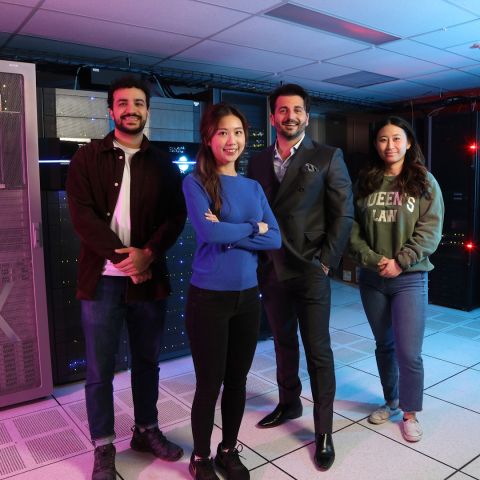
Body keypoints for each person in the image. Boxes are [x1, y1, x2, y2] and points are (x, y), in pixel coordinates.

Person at [66, 75, 187, 480]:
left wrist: (148, 254)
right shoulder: (87, 158)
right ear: (110, 110)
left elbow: (176, 217)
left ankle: (146, 429)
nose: (130, 109)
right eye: (122, 103)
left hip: (148, 279)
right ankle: (103, 445)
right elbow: (81, 216)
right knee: (100, 368)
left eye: (138, 103)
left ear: (147, 110)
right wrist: (127, 258)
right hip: (101, 280)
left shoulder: (164, 163)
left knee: (147, 362)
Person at [247, 84, 353, 470]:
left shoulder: (327, 156)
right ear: (273, 116)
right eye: (282, 110)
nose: (289, 116)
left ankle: (323, 429)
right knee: (282, 343)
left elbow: (343, 214)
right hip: (271, 267)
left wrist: (327, 262)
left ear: (307, 116)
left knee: (318, 351)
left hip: (310, 268)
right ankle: (289, 403)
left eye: (296, 110)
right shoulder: (257, 162)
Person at [183, 103, 281, 480]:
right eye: (223, 132)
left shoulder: (253, 186)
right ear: (208, 138)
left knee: (237, 381)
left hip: (246, 297)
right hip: (208, 298)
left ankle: (228, 450)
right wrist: (252, 228)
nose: (232, 139)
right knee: (209, 383)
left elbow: (274, 237)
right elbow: (209, 233)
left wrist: (234, 230)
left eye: (238, 132)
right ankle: (202, 457)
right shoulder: (195, 182)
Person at [349, 116, 444, 442]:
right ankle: (390, 400)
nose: (389, 146)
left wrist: (401, 262)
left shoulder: (424, 182)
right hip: (373, 278)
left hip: (410, 278)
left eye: (396, 138)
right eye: (383, 140)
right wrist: (376, 261)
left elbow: (430, 232)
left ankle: (410, 412)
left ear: (408, 142)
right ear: (376, 145)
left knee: (408, 352)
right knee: (384, 345)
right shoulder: (366, 181)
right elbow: (353, 230)